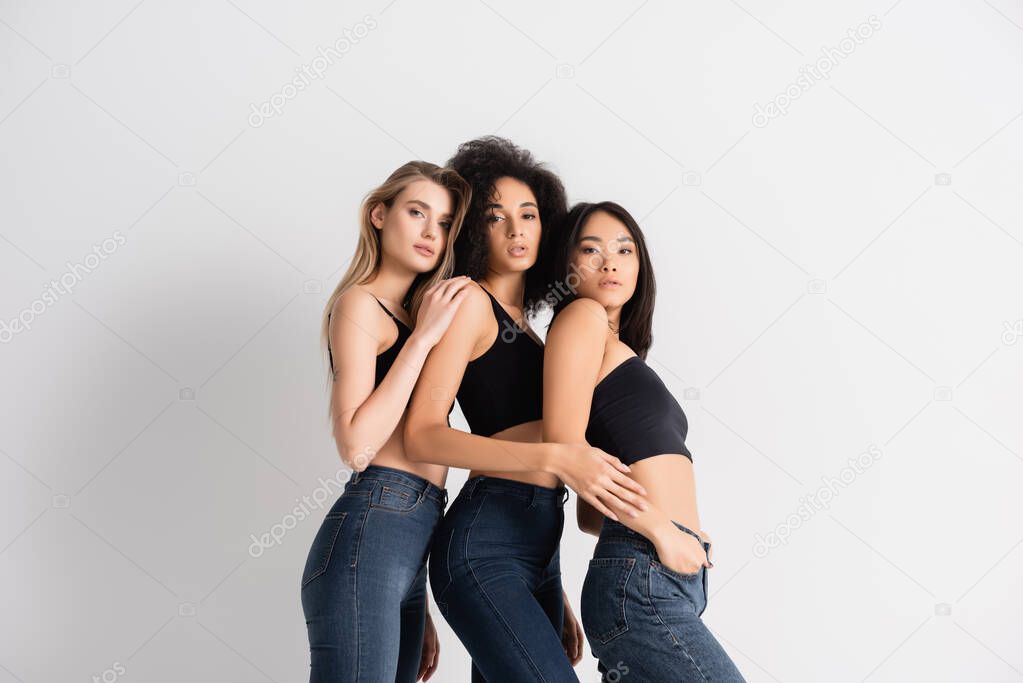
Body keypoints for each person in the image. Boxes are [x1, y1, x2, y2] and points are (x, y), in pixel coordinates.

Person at [403, 138, 648, 682]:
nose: (516, 230)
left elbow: (544, 465)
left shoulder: (535, 330)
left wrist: (550, 577)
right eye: (496, 217)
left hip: (535, 542)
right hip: (484, 546)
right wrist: (563, 455)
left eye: (529, 214)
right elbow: (421, 434)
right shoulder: (468, 302)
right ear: (471, 230)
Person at [542, 201, 746, 682]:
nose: (610, 261)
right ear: (566, 266)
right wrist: (661, 528)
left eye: (624, 249)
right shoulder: (583, 316)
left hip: (662, 570)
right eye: (590, 249)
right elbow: (565, 449)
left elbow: (590, 512)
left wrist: (681, 532)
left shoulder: (620, 349)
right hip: (643, 577)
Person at [301, 160, 474, 682]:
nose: (430, 232)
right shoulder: (359, 305)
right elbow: (355, 446)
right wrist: (421, 340)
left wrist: (412, 588)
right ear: (379, 214)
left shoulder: (412, 310)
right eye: (417, 212)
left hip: (408, 540)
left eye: (444, 223)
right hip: (371, 527)